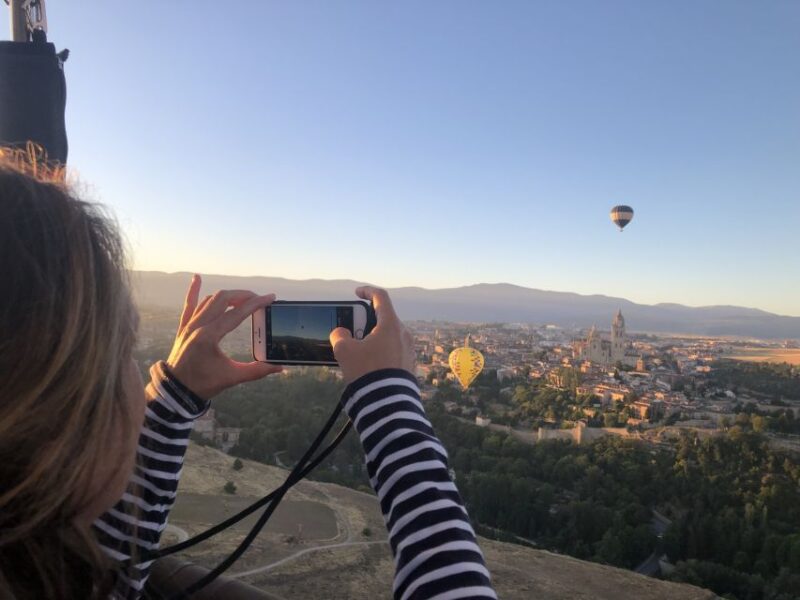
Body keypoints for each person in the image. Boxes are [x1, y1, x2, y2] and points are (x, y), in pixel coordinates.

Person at [0, 154, 496, 599]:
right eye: (124, 353)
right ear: (49, 427)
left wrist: (175, 396)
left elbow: (113, 562)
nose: (139, 376)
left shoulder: (37, 565)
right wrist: (389, 401)